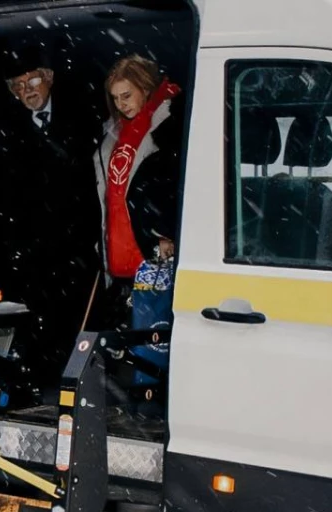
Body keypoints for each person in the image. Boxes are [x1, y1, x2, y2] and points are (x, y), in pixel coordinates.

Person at [0, 46, 101, 383]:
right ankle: (40, 376)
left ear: (49, 78)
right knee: (37, 311)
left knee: (74, 311)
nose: (27, 91)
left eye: (32, 80)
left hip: (76, 237)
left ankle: (74, 377)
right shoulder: (6, 127)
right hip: (31, 239)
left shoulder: (81, 114)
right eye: (17, 86)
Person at [92, 55, 184, 424]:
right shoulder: (116, 130)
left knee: (153, 329)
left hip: (152, 244)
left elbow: (169, 181)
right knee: (134, 327)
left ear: (146, 88)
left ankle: (150, 402)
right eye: (115, 98)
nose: (122, 104)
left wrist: (165, 229)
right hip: (120, 241)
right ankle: (136, 399)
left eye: (127, 95)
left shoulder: (169, 122)